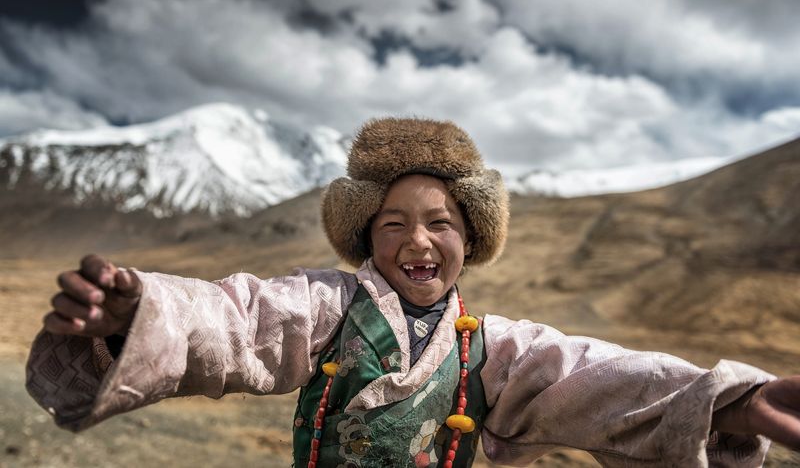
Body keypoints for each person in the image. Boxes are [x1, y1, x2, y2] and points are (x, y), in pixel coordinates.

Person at [26, 117, 800, 467]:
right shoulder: (327, 308)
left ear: (472, 239)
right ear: (368, 238)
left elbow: (596, 377)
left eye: (441, 223)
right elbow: (240, 317)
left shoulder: (491, 349)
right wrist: (138, 313)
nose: (417, 240)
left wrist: (730, 399)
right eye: (393, 223)